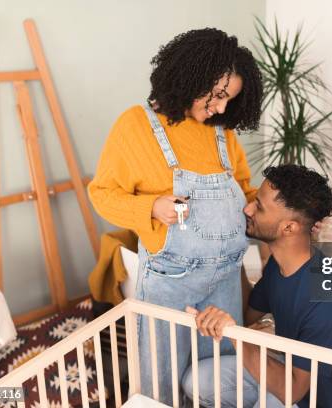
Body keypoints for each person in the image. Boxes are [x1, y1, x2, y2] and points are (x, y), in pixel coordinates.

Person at [88, 28, 263, 404]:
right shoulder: (134, 126)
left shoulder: (221, 133)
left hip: (224, 283)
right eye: (217, 95)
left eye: (229, 100)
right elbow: (101, 195)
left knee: (219, 378)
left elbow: (245, 190)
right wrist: (151, 207)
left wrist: (265, 213)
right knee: (161, 382)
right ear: (190, 76)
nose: (220, 108)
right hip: (169, 283)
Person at [182, 164, 332, 408]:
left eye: (258, 206)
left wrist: (238, 339)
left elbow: (292, 391)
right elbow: (249, 314)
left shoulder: (327, 295)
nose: (247, 209)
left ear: (289, 228)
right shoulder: (278, 264)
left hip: (320, 399)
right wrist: (233, 257)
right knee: (199, 380)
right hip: (290, 372)